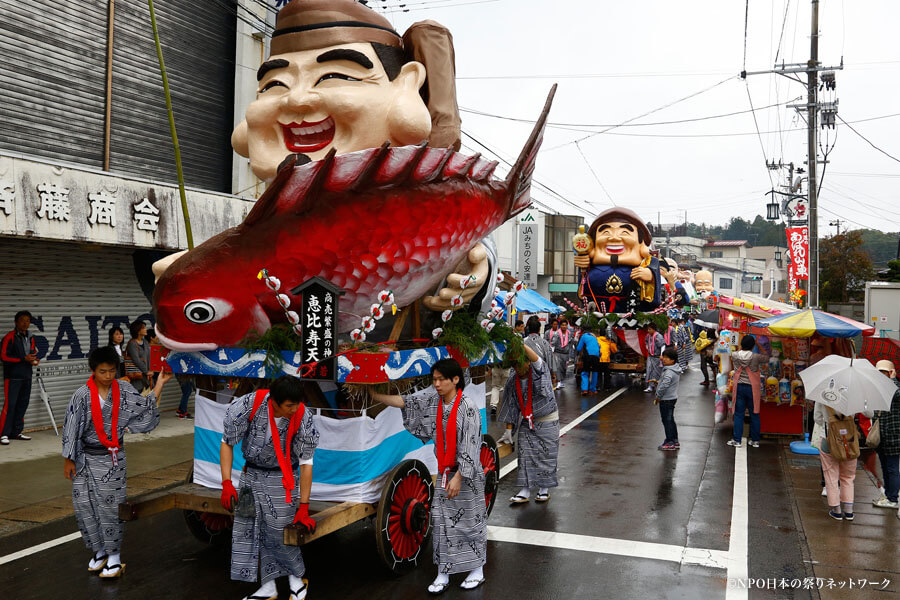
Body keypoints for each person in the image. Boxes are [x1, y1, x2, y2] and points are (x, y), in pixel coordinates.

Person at [371, 359, 486, 593]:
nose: (436, 384)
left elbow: (472, 445)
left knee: (470, 523)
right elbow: (407, 402)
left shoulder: (468, 408)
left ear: (455, 380)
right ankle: (443, 572)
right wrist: (374, 395)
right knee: (442, 522)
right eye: (434, 379)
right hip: (445, 471)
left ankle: (477, 570)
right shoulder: (433, 400)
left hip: (467, 475)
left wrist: (460, 477)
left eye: (441, 379)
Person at [62, 346, 174, 578]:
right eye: (103, 371)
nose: (108, 376)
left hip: (112, 458)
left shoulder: (123, 389)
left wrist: (160, 383)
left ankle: (114, 556)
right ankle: (99, 551)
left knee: (111, 508)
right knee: (85, 506)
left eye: (112, 371)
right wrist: (68, 459)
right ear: (93, 370)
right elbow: (71, 428)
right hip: (84, 459)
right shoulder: (81, 395)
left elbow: (143, 408)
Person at [220, 375, 320, 600]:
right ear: (273, 401)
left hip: (282, 479)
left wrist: (304, 505)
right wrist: (226, 482)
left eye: (297, 403)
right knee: (249, 529)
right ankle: (268, 587)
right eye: (289, 405)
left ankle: (297, 579)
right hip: (249, 477)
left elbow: (306, 463)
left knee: (278, 531)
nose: (294, 409)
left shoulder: (303, 416)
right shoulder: (248, 406)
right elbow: (227, 442)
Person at [499, 344, 559, 504]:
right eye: (514, 365)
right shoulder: (513, 380)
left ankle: (543, 489)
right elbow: (510, 405)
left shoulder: (540, 371)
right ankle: (525, 490)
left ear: (528, 362)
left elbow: (537, 359)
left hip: (547, 421)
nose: (517, 368)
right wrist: (508, 430)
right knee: (524, 455)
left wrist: (516, 341)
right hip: (527, 420)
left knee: (546, 455)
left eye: (519, 364)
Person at [814, 399, 871, 521]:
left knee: (830, 475)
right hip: (849, 440)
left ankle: (836, 510)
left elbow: (817, 418)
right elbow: (870, 414)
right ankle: (849, 511)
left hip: (828, 438)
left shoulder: (823, 393)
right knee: (848, 476)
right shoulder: (855, 392)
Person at [1, 310, 39, 445]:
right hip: (13, 377)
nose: (25, 323)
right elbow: (4, 357)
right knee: (10, 405)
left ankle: (16, 432)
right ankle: (3, 434)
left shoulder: (31, 337)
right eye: (23, 320)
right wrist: (23, 359)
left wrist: (34, 360)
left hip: (27, 375)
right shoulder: (9, 337)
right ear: (16, 322)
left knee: (23, 404)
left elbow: (33, 352)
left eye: (28, 321)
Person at [873, 360, 900, 510]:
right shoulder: (880, 389)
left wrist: (893, 380)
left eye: (884, 372)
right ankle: (889, 494)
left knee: (892, 468)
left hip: (894, 436)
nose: (881, 375)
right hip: (882, 436)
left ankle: (893, 498)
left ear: (890, 373)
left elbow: (897, 395)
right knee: (885, 467)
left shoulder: (896, 388)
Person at [728, 335, 763, 448]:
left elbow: (734, 353)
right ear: (752, 346)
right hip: (753, 388)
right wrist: (758, 345)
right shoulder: (756, 357)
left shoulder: (735, 355)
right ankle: (755, 440)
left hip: (739, 386)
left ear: (742, 344)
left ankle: (737, 440)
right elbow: (767, 356)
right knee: (755, 413)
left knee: (739, 414)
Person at [655, 348, 683, 451]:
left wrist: (658, 395)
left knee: (666, 420)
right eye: (664, 357)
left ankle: (670, 441)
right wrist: (658, 382)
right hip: (672, 397)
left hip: (666, 399)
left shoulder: (669, 371)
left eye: (667, 358)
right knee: (670, 419)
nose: (664, 359)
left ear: (673, 360)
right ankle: (675, 440)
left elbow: (666, 384)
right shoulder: (675, 368)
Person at [126, 320, 152, 393]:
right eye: (143, 328)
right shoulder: (132, 344)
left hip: (146, 376)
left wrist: (150, 370)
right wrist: (146, 371)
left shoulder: (145, 342)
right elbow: (136, 360)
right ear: (138, 331)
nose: (146, 329)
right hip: (136, 376)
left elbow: (149, 357)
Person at [548, 319, 573, 389]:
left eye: (565, 325)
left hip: (566, 353)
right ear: (560, 326)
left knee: (564, 368)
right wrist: (551, 352)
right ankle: (558, 382)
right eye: (562, 325)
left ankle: (561, 381)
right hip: (558, 353)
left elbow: (571, 343)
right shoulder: (556, 334)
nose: (564, 326)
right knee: (558, 367)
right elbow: (552, 343)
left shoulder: (569, 333)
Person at [576, 328, 601, 396]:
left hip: (588, 356)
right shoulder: (594, 337)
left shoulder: (584, 336)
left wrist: (578, 353)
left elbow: (579, 348)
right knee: (595, 372)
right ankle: (593, 390)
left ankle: (585, 390)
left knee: (585, 372)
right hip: (596, 356)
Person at [643, 322, 665, 394]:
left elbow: (662, 345)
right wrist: (648, 348)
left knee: (657, 372)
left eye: (650, 329)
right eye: (648, 329)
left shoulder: (658, 336)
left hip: (657, 357)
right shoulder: (648, 336)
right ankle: (650, 386)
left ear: (654, 329)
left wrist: (662, 355)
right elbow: (646, 342)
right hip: (650, 356)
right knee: (649, 371)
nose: (648, 331)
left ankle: (658, 386)